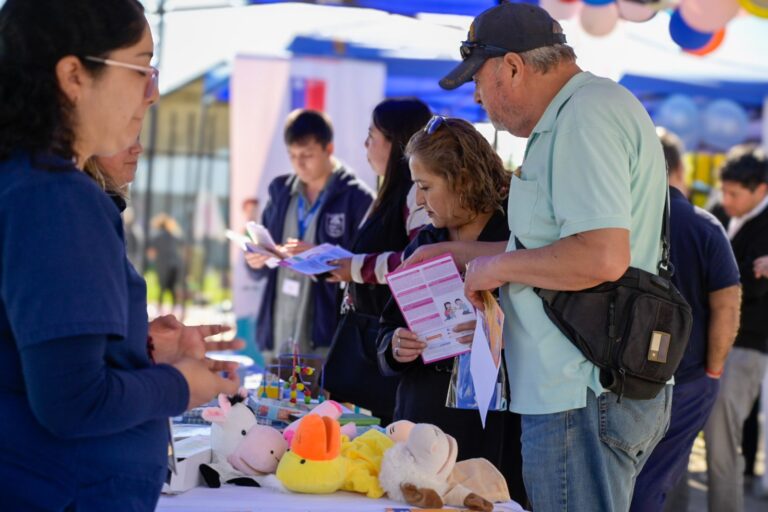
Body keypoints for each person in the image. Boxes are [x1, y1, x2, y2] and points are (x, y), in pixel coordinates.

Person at [406, 4, 671, 510]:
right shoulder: (579, 113)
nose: (479, 98)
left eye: (480, 81)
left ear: (512, 66)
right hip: (580, 387)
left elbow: (600, 255)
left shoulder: (582, 119)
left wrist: (491, 268)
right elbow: (546, 248)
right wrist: (456, 253)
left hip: (580, 389)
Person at [0, 1, 240, 510]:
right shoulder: (54, 196)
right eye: (140, 68)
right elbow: (71, 402)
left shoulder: (31, 183)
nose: (151, 94)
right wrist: (179, 385)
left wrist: (137, 351)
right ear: (73, 76)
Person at [376, 117, 526, 505]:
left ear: (461, 180)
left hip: (495, 432)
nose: (419, 200)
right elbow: (387, 326)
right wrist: (395, 346)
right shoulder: (423, 243)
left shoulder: (520, 236)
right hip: (422, 426)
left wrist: (494, 334)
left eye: (426, 187)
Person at [630, 129, 741, 512]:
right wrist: (713, 372)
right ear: (679, 167)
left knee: (623, 474)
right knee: (655, 479)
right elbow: (727, 305)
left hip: (622, 374)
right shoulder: (705, 225)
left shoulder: (619, 221)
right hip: (688, 375)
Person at [323, 98, 431, 422]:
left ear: (395, 141)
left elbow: (419, 259)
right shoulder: (388, 193)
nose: (365, 144)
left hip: (387, 350)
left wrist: (354, 268)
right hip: (366, 343)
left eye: (372, 135)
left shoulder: (417, 193)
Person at [245, 109, 374, 359]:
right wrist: (255, 259)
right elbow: (258, 264)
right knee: (273, 397)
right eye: (293, 156)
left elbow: (366, 269)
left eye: (307, 155)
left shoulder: (357, 198)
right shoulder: (280, 190)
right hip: (278, 333)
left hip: (325, 338)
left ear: (328, 149)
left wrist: (319, 257)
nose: (299, 163)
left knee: (323, 399)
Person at [705, 145, 768, 512]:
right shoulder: (717, 213)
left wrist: (721, 276)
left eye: (734, 194)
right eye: (723, 191)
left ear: (761, 190)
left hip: (746, 346)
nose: (725, 200)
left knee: (723, 446)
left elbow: (753, 289)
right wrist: (746, 268)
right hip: (708, 343)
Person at [148, 212, 184, 311]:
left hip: (163, 265)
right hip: (175, 264)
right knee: (173, 288)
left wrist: (153, 261)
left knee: (162, 287)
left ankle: (160, 309)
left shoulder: (157, 236)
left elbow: (152, 252)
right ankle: (174, 309)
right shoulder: (173, 235)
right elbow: (182, 246)